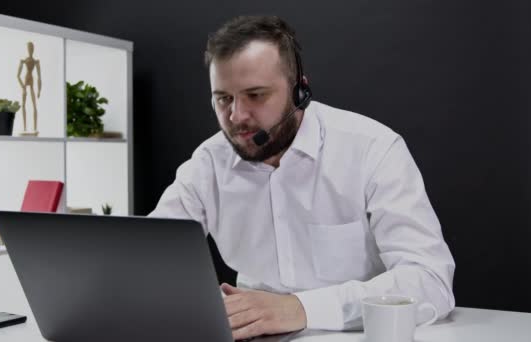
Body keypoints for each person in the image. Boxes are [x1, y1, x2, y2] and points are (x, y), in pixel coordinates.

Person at [149, 15, 455, 340]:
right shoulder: (208, 163)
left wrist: (300, 308)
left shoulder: (373, 149)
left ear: (300, 92)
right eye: (223, 98)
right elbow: (148, 258)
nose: (236, 116)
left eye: (255, 95)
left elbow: (430, 280)